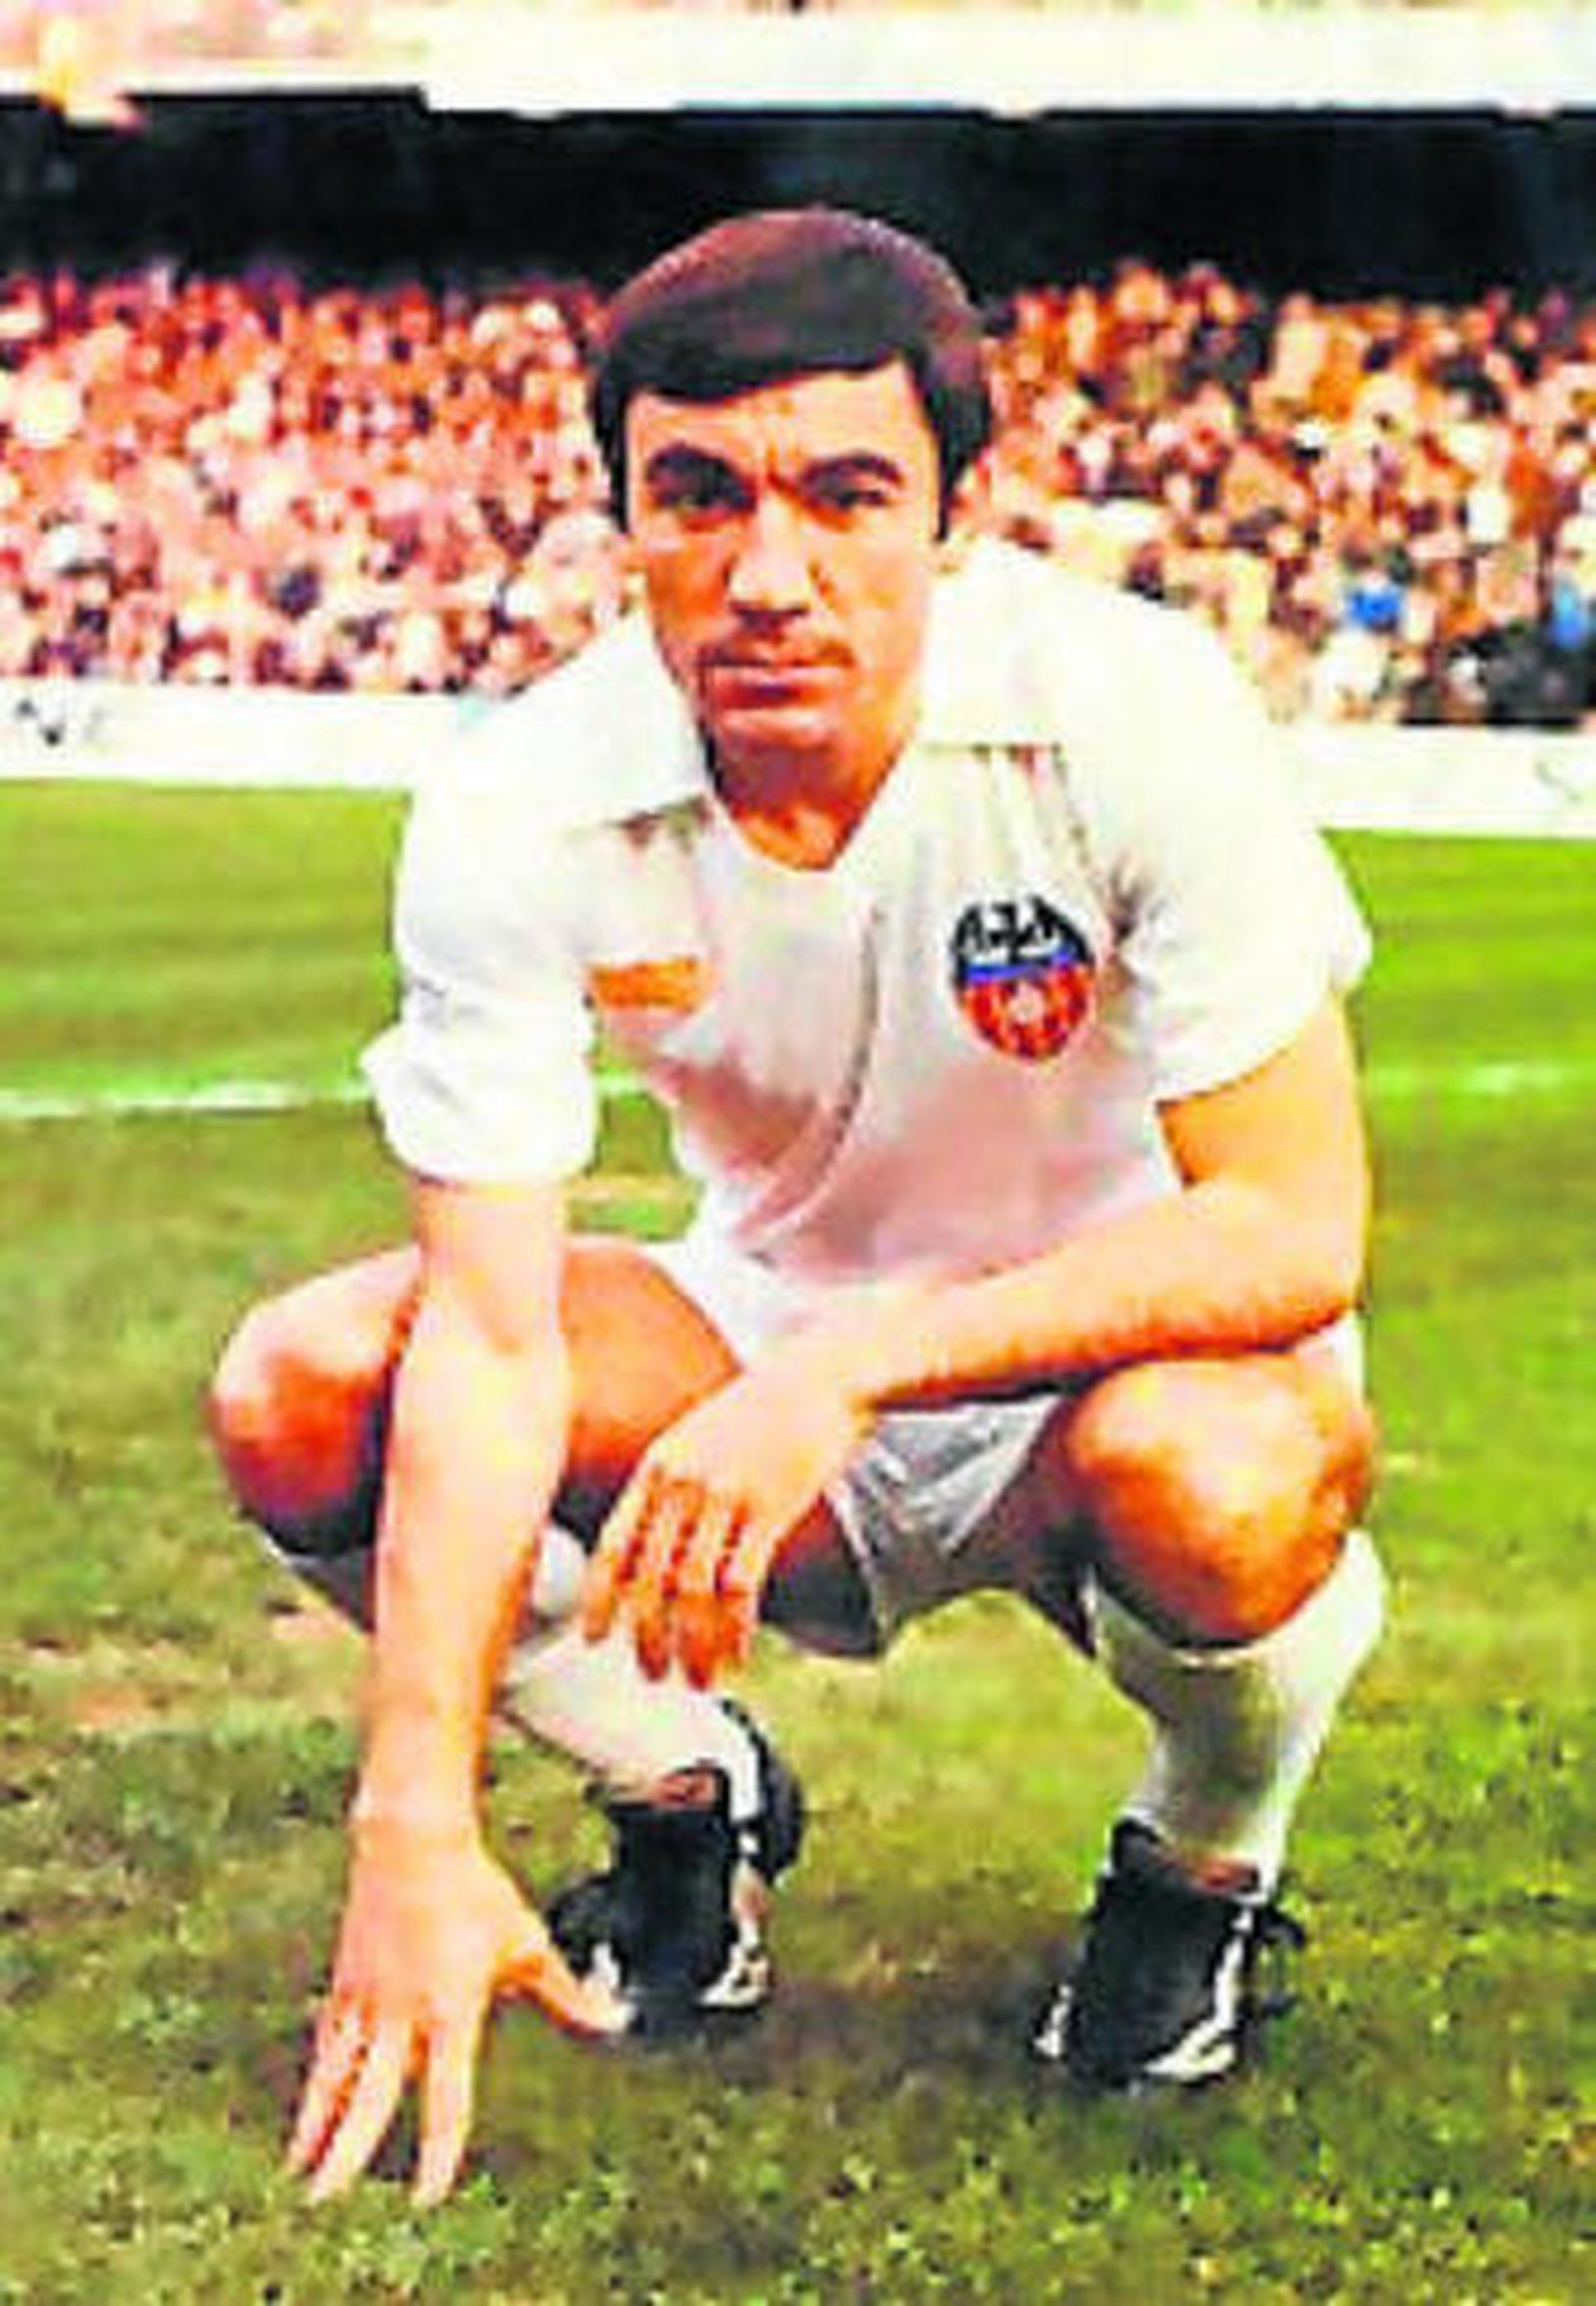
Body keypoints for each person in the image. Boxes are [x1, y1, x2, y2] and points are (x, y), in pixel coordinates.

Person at [208, 206, 1385, 2207]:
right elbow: (489, 1336)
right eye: (698, 496)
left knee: (1219, 1472)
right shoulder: (525, 798)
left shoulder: (1130, 706)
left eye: (845, 495)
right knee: (305, 1389)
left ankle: (1198, 1869)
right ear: (622, 516)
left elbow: (1285, 1227)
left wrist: (849, 1374)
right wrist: (412, 1813)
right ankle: (689, 1797)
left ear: (956, 514)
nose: (768, 573)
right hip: (755, 1335)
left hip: (1109, 1369)